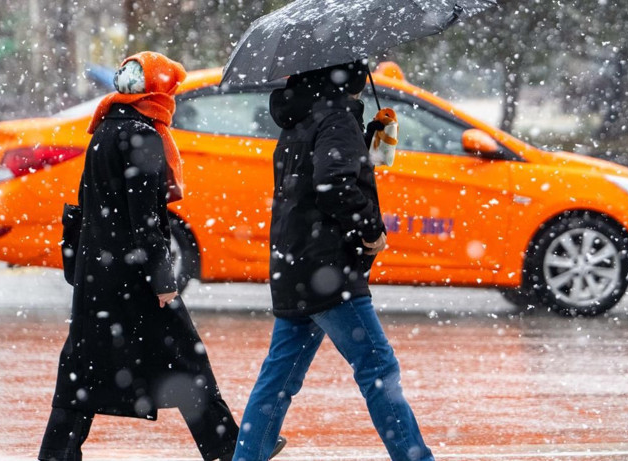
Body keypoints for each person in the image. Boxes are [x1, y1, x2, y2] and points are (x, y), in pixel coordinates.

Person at [39, 51, 251, 461]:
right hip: (132, 278)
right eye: (169, 89)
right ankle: (225, 447)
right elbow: (146, 222)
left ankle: (56, 453)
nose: (171, 98)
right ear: (156, 91)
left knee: (83, 367)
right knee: (187, 357)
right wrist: (164, 283)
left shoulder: (103, 128)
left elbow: (89, 203)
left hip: (99, 275)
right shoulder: (143, 137)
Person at [232, 61, 436, 461]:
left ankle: (247, 456)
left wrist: (366, 139)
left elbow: (316, 177)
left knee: (280, 377)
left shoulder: (302, 116)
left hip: (295, 263)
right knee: (378, 370)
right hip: (328, 269)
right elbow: (333, 183)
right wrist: (370, 228)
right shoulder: (336, 117)